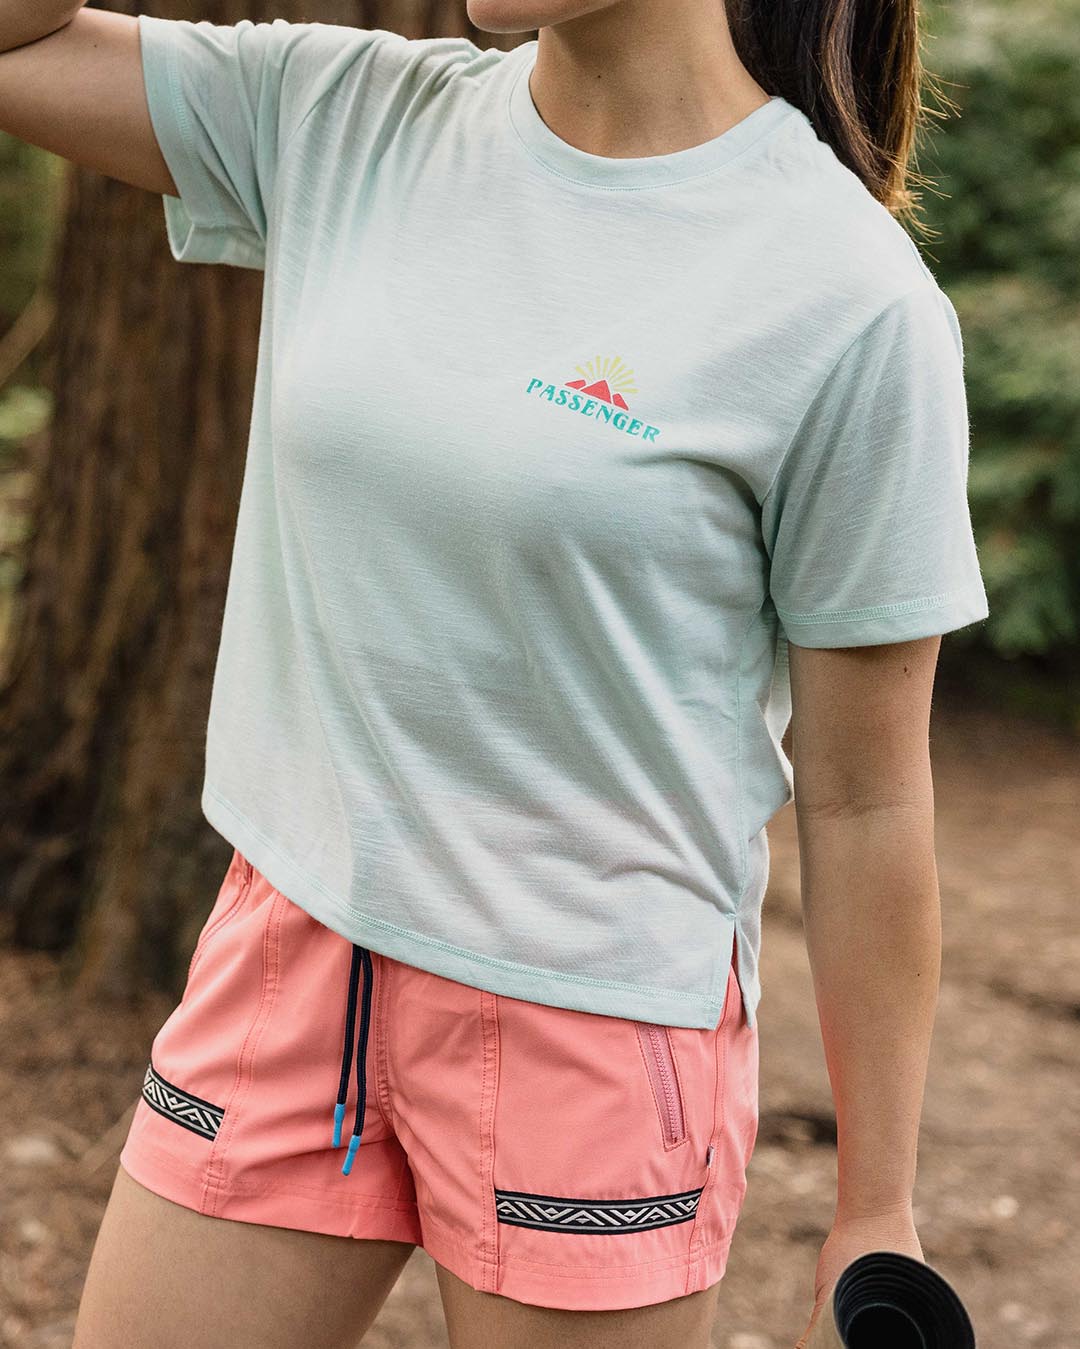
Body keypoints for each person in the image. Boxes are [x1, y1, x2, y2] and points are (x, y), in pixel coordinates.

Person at [1, 0, 990, 1344]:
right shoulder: (342, 115)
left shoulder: (848, 296)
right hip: (295, 941)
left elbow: (867, 796)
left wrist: (876, 1202)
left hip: (594, 1014)